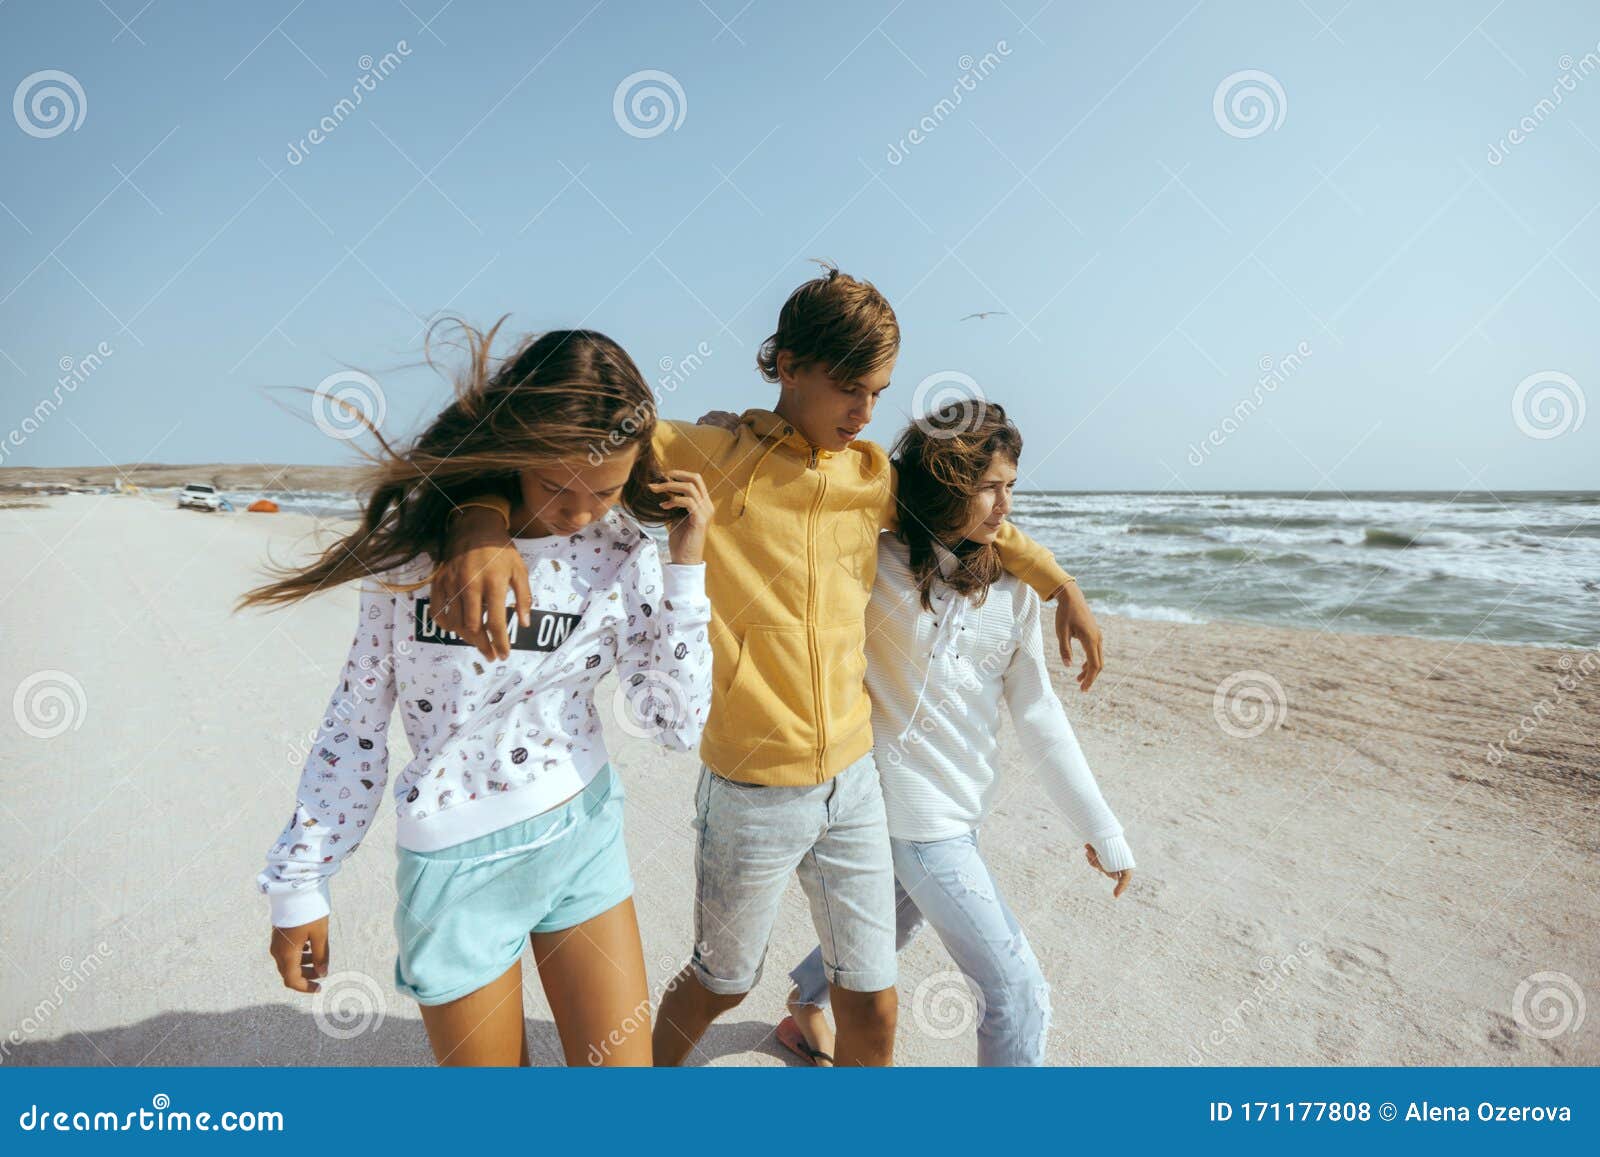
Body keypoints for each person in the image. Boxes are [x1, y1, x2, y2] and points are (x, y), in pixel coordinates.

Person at [429, 265, 1105, 1066]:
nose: (863, 412)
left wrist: (1058, 582)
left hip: (853, 780)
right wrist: (478, 520)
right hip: (749, 784)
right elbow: (555, 447)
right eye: (849, 388)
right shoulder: (709, 452)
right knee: (722, 979)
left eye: (878, 394)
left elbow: (963, 510)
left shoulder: (872, 477)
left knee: (875, 1008)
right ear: (787, 365)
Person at [245, 323, 714, 1066]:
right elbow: (356, 722)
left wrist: (686, 571)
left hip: (581, 837)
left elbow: (677, 723)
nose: (581, 511)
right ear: (515, 449)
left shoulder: (622, 553)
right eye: (557, 484)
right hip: (456, 862)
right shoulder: (413, 555)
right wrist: (300, 878)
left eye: (606, 488)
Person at [775, 403, 1134, 1067]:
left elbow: (1038, 713)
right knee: (1017, 988)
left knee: (898, 913)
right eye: (990, 486)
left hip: (962, 808)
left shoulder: (1014, 589)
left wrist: (1101, 827)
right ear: (946, 486)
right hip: (911, 812)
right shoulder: (871, 561)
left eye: (1012, 486)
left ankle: (807, 1001)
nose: (1006, 506)